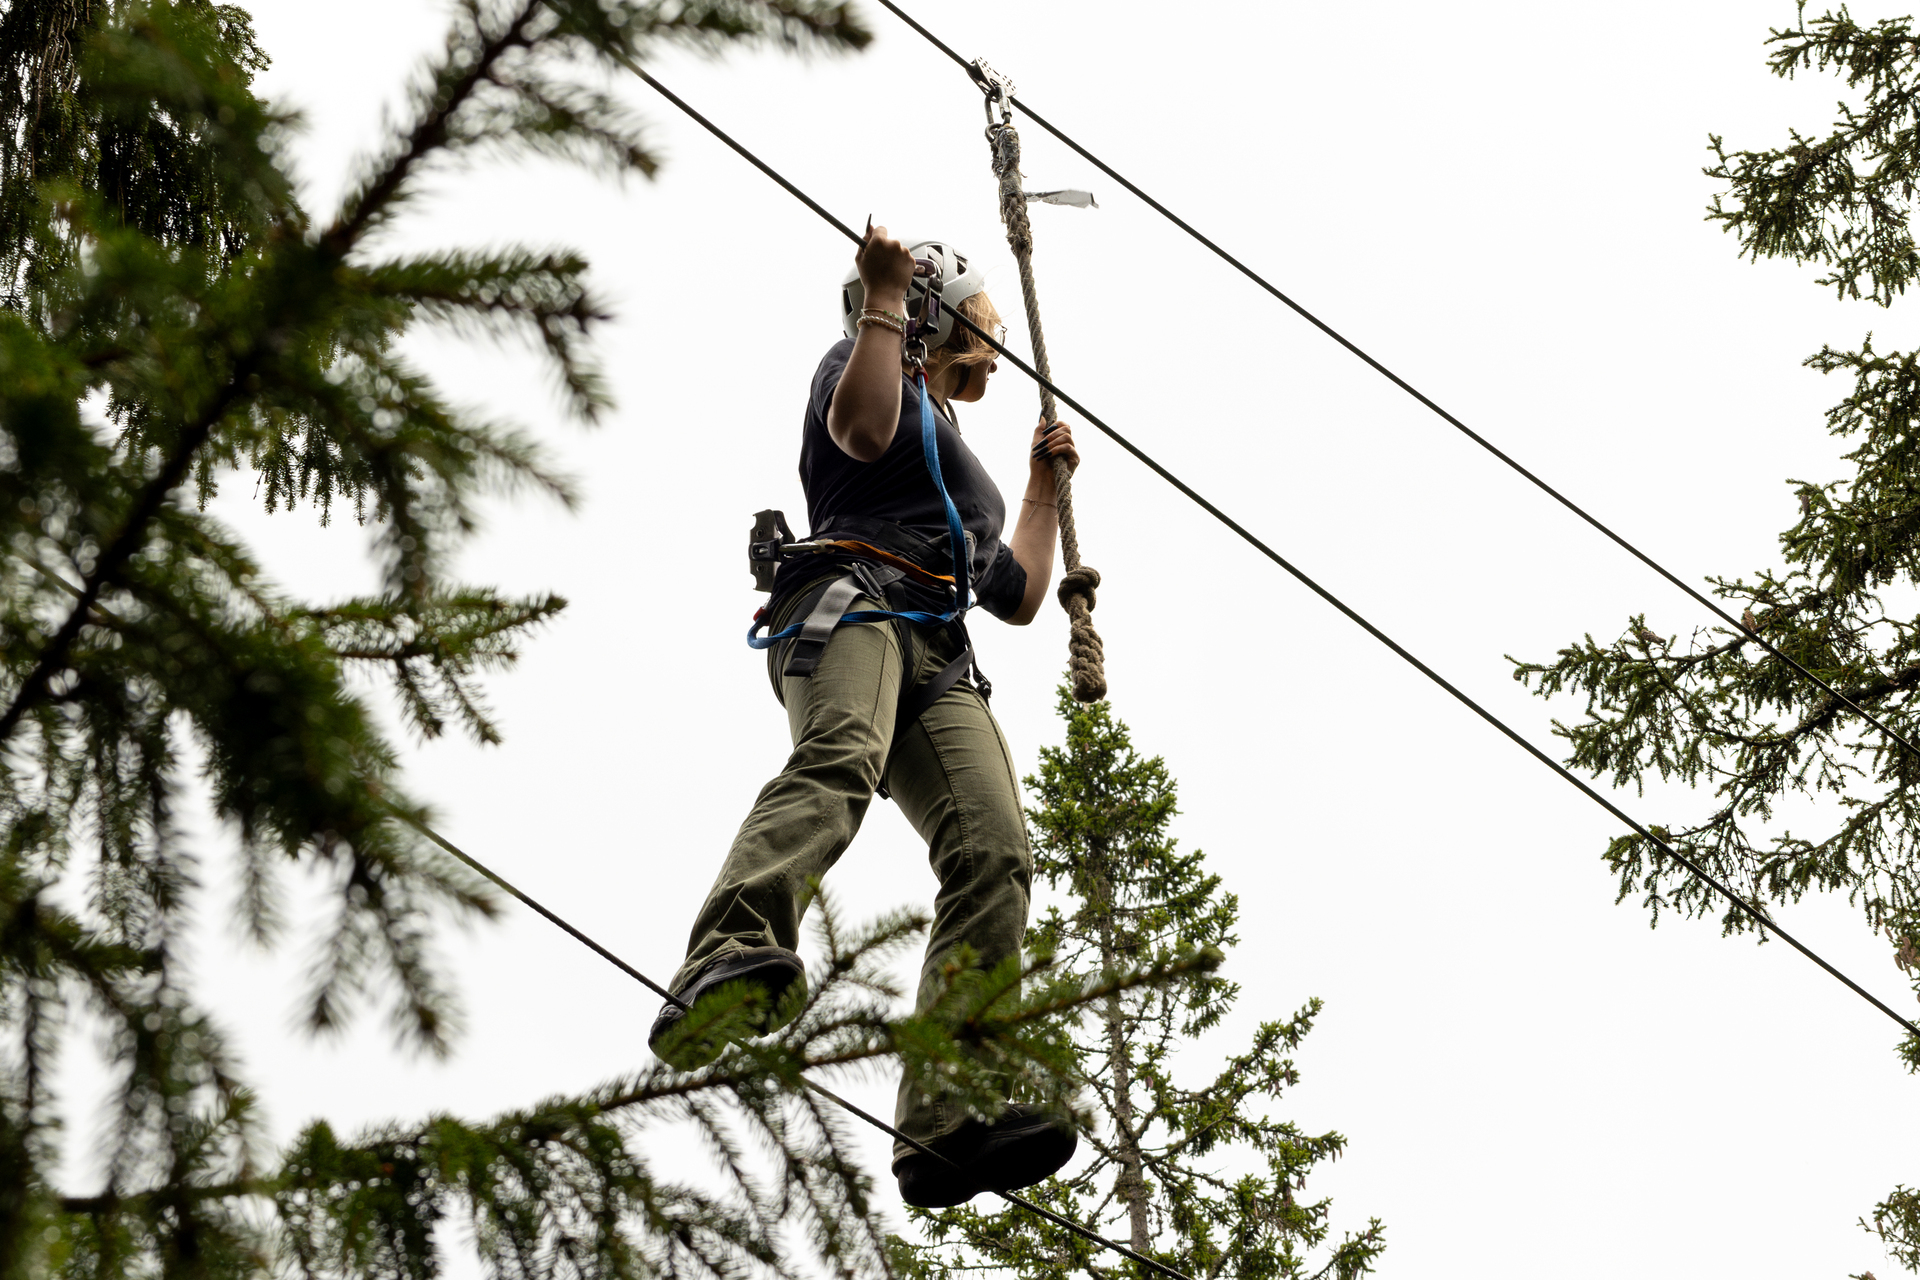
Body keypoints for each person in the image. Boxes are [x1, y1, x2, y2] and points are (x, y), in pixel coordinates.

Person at [647, 226, 1082, 1209]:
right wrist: (884, 298)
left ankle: (944, 1114)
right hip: (850, 597)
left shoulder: (959, 459)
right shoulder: (858, 364)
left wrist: (1040, 491)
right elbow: (863, 433)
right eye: (978, 325)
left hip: (937, 644)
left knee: (996, 845)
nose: (991, 347)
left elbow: (1013, 591)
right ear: (933, 317)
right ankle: (724, 955)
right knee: (840, 754)